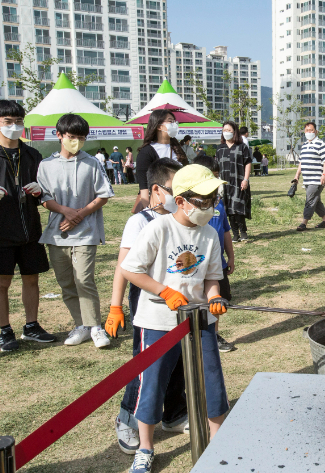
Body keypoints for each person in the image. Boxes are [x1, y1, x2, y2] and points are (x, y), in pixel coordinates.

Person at [120, 164, 230, 473]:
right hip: (157, 321)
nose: (209, 208)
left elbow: (211, 278)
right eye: (202, 201)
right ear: (180, 201)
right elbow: (130, 269)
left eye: (213, 200)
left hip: (198, 320)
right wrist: (164, 291)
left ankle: (217, 441)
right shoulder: (159, 228)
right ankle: (145, 447)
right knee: (152, 383)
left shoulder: (210, 233)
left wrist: (214, 298)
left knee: (212, 379)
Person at [105, 158, 189, 455]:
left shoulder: (181, 218)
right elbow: (123, 267)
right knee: (147, 366)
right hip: (149, 303)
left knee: (179, 360)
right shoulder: (139, 221)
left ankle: (175, 413)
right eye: (176, 190)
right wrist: (116, 307)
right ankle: (128, 417)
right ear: (157, 190)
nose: (183, 197)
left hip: (180, 303)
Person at [37, 114, 114, 348]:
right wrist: (65, 211)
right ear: (59, 135)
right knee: (66, 282)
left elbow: (103, 195)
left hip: (87, 231)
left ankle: (96, 327)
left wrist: (79, 214)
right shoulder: (46, 165)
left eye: (81, 138)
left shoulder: (91, 163)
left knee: (84, 279)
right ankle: (81, 324)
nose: (77, 142)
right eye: (72, 137)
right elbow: (44, 197)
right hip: (57, 233)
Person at [0, 100, 55, 352]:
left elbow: (45, 188)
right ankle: (5, 330)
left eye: (18, 121)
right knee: (1, 281)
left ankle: (31, 326)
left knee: (31, 279)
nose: (14, 126)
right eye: (8, 122)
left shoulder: (31, 154)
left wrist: (40, 191)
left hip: (29, 229)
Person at [191, 155, 236, 352]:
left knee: (218, 301)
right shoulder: (191, 208)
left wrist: (231, 257)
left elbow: (226, 231)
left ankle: (214, 334)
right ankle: (194, 336)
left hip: (218, 265)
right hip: (197, 266)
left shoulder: (219, 205)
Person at [135, 109, 186, 209]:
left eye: (175, 122)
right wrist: (150, 211)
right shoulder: (146, 152)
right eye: (170, 121)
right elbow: (144, 187)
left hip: (179, 203)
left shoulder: (178, 149)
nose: (174, 124)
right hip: (158, 205)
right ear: (159, 126)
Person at [217, 121, 252, 242]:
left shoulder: (242, 147)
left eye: (229, 130)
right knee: (228, 209)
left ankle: (243, 232)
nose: (227, 132)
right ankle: (235, 233)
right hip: (225, 184)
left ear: (235, 131)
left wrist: (245, 179)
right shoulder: (220, 149)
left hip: (239, 181)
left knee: (238, 206)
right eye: (225, 130)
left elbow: (248, 163)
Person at [293, 122, 325, 231]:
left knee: (310, 200)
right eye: (307, 130)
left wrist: (324, 175)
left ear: (316, 131)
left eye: (311, 130)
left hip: (317, 179)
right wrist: (297, 176)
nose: (309, 132)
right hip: (307, 180)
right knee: (316, 200)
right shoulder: (304, 145)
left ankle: (304, 222)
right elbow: (301, 162)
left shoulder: (321, 144)